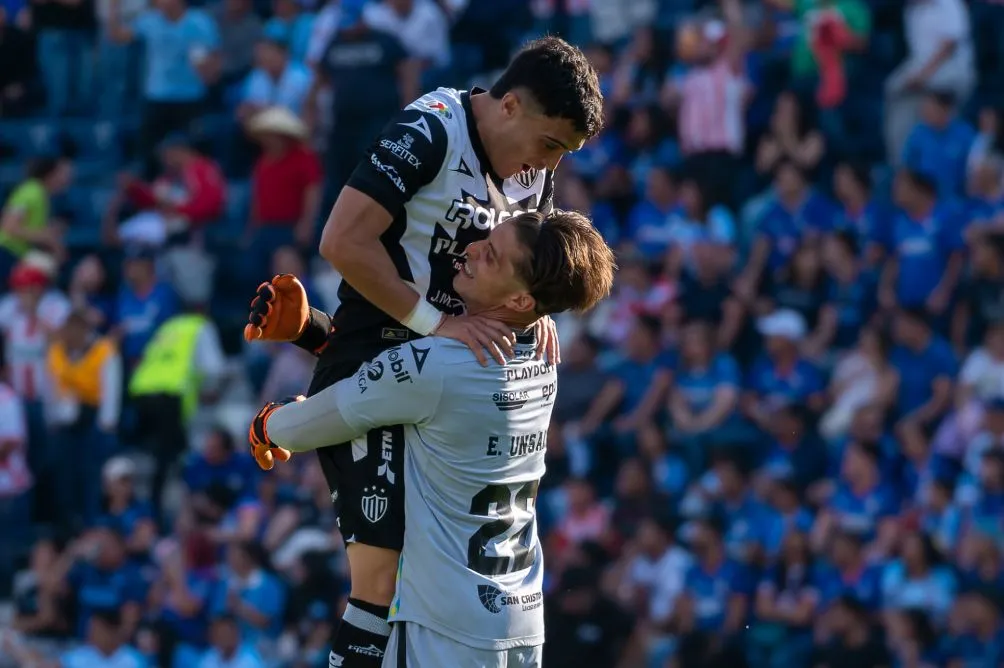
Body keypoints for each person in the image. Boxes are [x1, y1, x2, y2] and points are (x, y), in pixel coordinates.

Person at [242, 35, 604, 666]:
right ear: (511, 106)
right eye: (551, 145)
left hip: (437, 368)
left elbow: (527, 264)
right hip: (386, 352)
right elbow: (342, 240)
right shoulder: (430, 131)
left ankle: (309, 332)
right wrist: (433, 322)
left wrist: (534, 313)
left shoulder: (534, 167)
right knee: (379, 582)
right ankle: (312, 345)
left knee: (414, 579)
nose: (548, 165)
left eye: (563, 155)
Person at [248, 210, 617, 667]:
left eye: (492, 256)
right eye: (486, 240)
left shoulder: (438, 365)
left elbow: (322, 419)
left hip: (450, 632)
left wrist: (268, 425)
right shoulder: (543, 353)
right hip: (520, 624)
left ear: (522, 300)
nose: (471, 250)